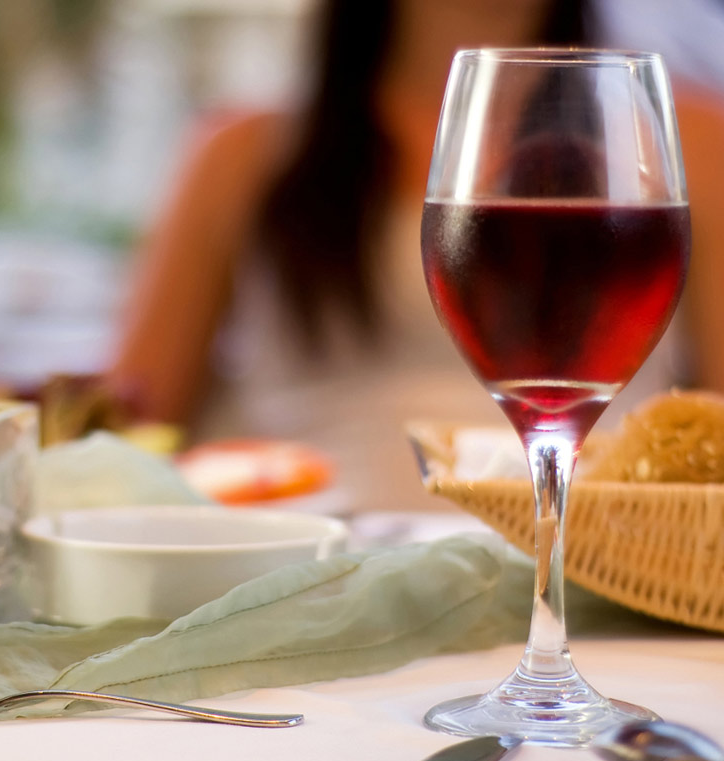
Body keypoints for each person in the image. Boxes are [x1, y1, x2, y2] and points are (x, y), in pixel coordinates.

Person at [106, 0, 724, 511]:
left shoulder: (683, 139)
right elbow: (124, 440)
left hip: (610, 565)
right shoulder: (242, 154)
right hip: (315, 563)